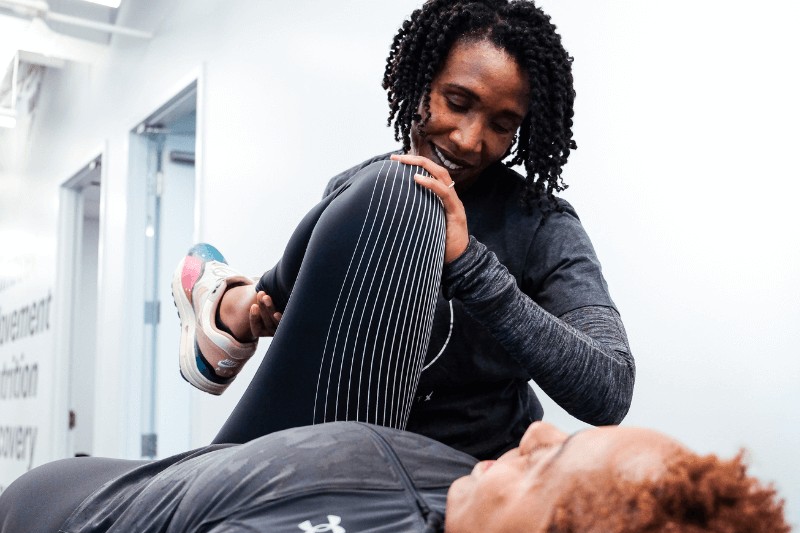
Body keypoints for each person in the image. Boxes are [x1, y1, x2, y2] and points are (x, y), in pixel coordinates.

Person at [173, 0, 636, 460]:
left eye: (502, 125)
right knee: (387, 187)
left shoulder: (542, 225)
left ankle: (227, 305)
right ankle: (240, 307)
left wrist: (473, 268)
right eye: (457, 102)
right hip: (359, 463)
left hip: (478, 482)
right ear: (419, 82)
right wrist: (285, 319)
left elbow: (609, 391)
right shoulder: (358, 188)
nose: (468, 140)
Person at [1, 420, 798, 533]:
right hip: (223, 469)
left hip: (56, 515)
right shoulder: (482, 509)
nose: (534, 430)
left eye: (547, 463)